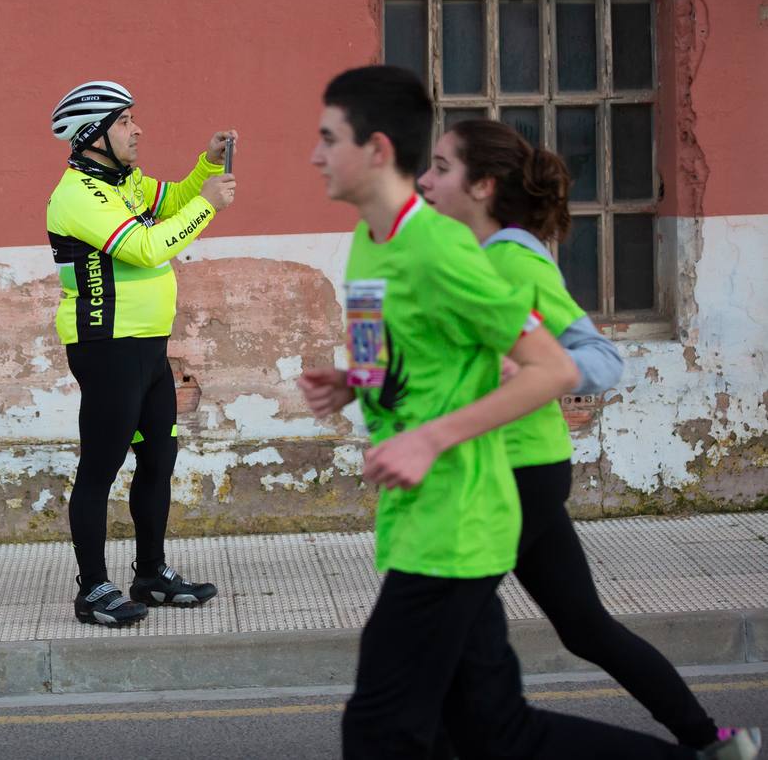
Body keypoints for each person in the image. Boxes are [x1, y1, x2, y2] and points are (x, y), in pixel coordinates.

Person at [299, 65, 756, 759]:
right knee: (492, 722)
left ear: (377, 148)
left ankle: (702, 740)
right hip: (424, 509)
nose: (312, 154)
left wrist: (430, 436)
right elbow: (396, 362)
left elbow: (568, 364)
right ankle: (703, 745)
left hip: (483, 495)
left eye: (327, 138)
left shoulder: (462, 253)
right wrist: (353, 383)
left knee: (389, 728)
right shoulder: (370, 242)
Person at [416, 118, 761, 754]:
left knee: (436, 641)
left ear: (484, 185)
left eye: (440, 166)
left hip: (510, 475)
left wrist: (536, 367)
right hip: (525, 467)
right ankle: (714, 740)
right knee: (582, 626)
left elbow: (599, 358)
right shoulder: (488, 256)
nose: (425, 179)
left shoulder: (510, 261)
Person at [46, 79, 235, 626]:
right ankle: (93, 590)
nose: (137, 128)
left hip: (148, 345)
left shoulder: (121, 182)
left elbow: (170, 200)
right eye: (125, 121)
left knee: (159, 459)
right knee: (100, 468)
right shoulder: (78, 195)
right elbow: (148, 246)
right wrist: (209, 206)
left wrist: (205, 166)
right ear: (95, 134)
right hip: (106, 346)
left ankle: (150, 574)